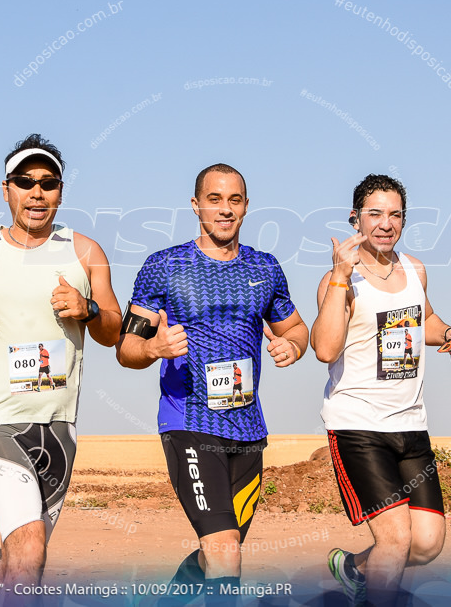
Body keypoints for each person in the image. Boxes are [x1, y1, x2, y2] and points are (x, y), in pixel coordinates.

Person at [0, 133, 121, 588]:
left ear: (61, 192)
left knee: (24, 557)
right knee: (30, 546)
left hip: (59, 424)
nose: (37, 192)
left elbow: (113, 331)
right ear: (6, 189)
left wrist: (88, 309)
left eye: (48, 183)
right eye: (25, 181)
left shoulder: (85, 252)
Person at [117, 163, 309, 602]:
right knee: (226, 554)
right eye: (215, 200)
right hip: (189, 422)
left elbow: (297, 328)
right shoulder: (163, 267)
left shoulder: (265, 268)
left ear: (246, 207)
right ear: (196, 205)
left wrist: (292, 347)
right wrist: (153, 349)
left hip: (248, 430)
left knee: (220, 552)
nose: (225, 210)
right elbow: (126, 349)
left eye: (234, 200)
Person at [311, 174, 451, 606]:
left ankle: (353, 568)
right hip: (358, 427)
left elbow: (425, 320)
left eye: (395, 214)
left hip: (412, 425)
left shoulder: (415, 270)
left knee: (427, 544)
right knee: (395, 539)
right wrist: (342, 275)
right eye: (374, 213)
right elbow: (324, 348)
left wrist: (449, 332)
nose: (385, 223)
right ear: (354, 219)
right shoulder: (337, 281)